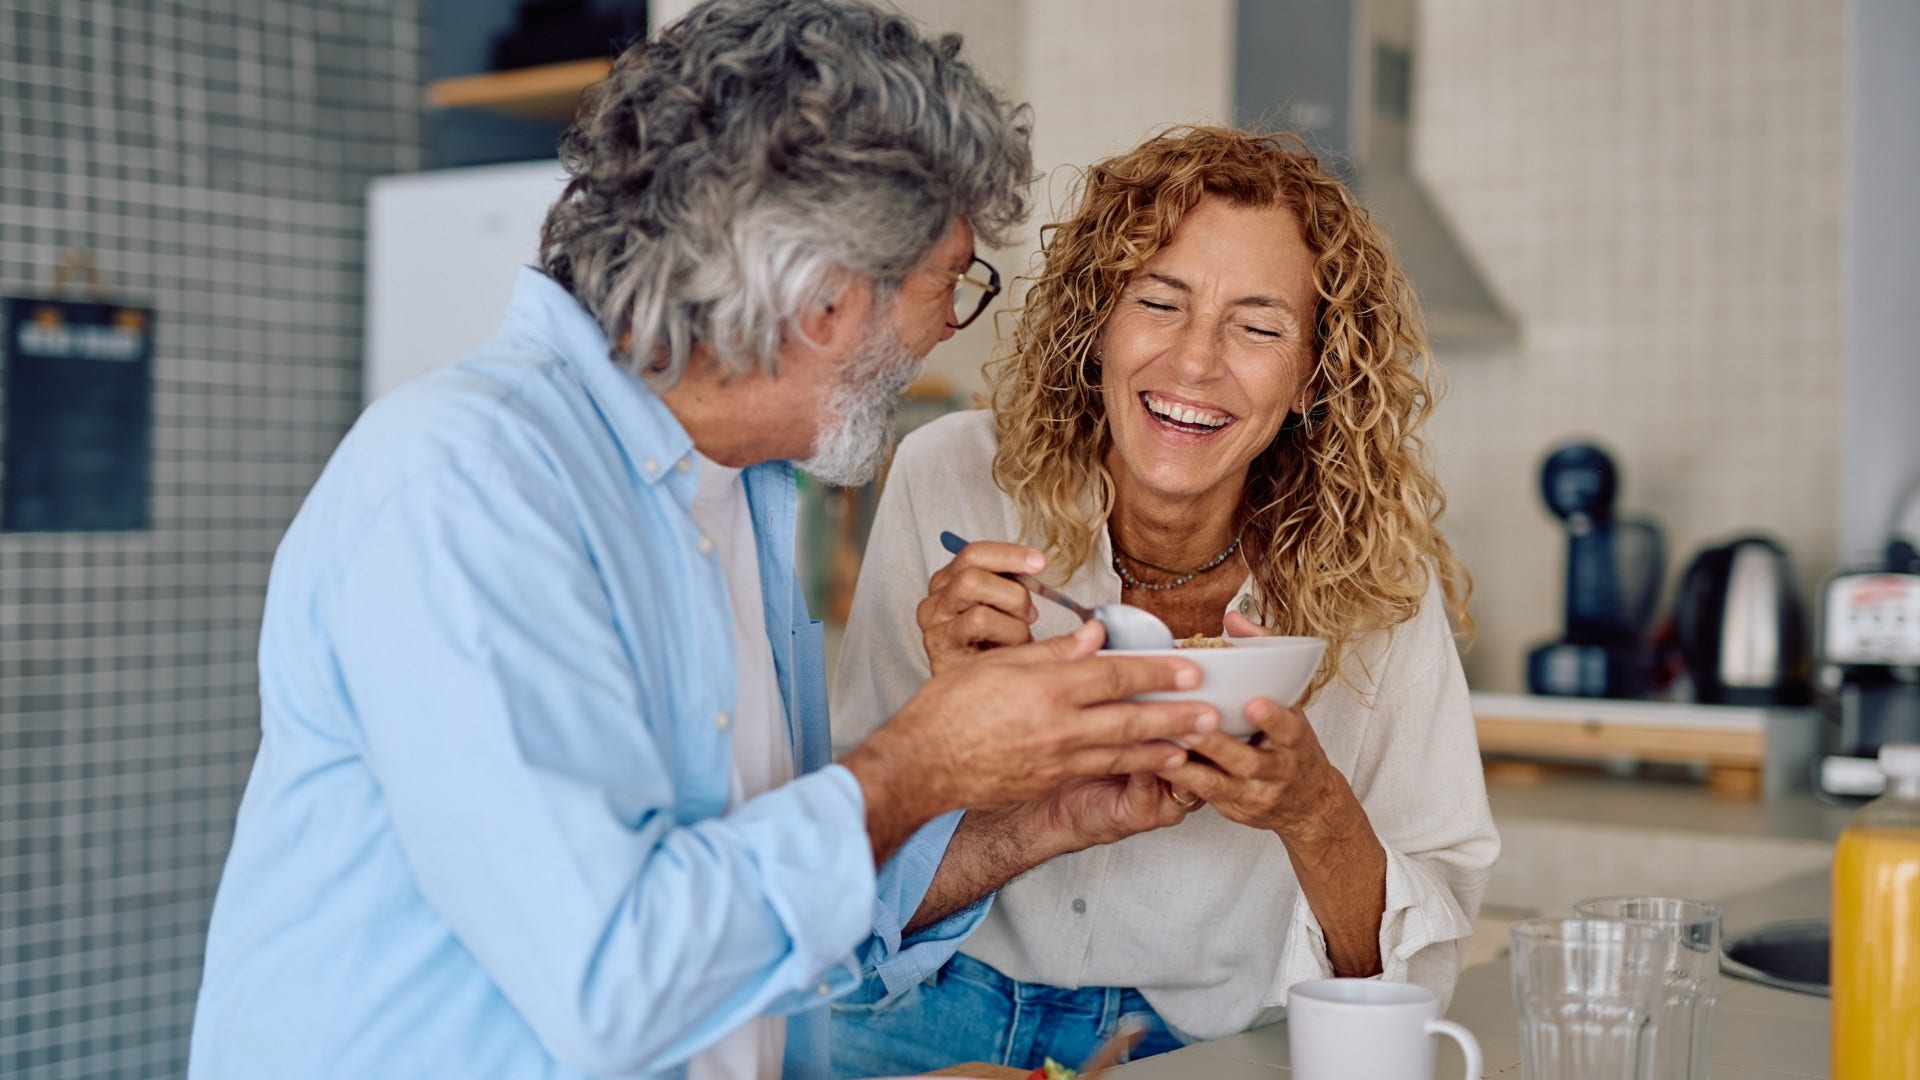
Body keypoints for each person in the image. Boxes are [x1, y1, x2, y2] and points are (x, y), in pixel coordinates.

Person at [187, 4, 1224, 1078]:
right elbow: (616, 983)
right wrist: (920, 764)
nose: (943, 331)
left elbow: (757, 923)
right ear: (826, 297)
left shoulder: (740, 492)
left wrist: (1032, 825)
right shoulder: (467, 485)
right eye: (952, 282)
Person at [829, 126, 1502, 1076]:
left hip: (1197, 1040)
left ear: (1311, 376)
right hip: (927, 994)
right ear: (1097, 325)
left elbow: (1409, 989)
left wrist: (1311, 808)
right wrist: (955, 737)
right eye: (1158, 302)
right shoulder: (953, 481)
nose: (1194, 362)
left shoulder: (1380, 578)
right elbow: (838, 889)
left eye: (1257, 327)